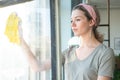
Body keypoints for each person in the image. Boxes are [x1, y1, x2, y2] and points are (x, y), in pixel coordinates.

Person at [19, 3, 115, 80]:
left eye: (77, 20)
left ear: (91, 22)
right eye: (71, 21)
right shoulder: (69, 53)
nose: (72, 24)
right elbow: (38, 66)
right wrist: (20, 39)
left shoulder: (105, 53)